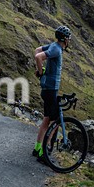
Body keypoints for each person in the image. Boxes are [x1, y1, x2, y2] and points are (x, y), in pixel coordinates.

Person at [33, 25, 72, 161]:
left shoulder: (54, 46)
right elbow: (38, 56)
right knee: (55, 122)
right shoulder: (56, 49)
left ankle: (37, 148)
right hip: (50, 89)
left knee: (46, 120)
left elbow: (37, 50)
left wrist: (40, 71)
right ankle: (44, 152)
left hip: (47, 89)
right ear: (65, 39)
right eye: (69, 39)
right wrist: (41, 71)